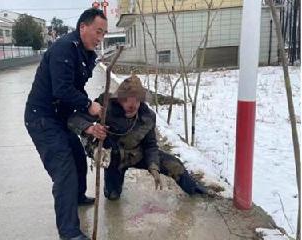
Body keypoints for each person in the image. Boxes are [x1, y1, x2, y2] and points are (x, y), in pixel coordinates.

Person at [24, 8, 107, 240]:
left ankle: (78, 196)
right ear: (83, 27)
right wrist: (89, 105)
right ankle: (69, 232)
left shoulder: (84, 53)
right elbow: (62, 89)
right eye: (97, 31)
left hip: (60, 117)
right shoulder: (63, 49)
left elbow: (74, 91)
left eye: (104, 33)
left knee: (78, 158)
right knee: (65, 171)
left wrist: (88, 122)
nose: (100, 38)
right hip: (42, 118)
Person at [68, 74, 208, 201]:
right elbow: (73, 119)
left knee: (174, 165)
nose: (132, 105)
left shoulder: (147, 116)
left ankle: (195, 190)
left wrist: (153, 166)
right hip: (113, 158)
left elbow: (151, 145)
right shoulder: (104, 106)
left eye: (137, 101)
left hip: (136, 153)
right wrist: (91, 128)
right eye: (126, 101)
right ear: (119, 99)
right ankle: (113, 186)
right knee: (112, 196)